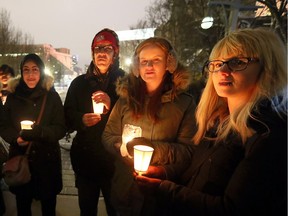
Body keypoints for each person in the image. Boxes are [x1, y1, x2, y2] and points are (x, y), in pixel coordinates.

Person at [135, 28, 287, 216]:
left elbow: (231, 209)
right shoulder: (217, 122)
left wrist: (162, 188)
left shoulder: (267, 134)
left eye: (237, 62)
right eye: (217, 64)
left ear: (268, 68)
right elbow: (197, 170)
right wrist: (165, 173)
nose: (223, 70)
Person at [102, 37, 197, 216]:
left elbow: (189, 151)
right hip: (125, 190)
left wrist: (152, 150)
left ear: (169, 63)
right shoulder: (125, 100)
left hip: (161, 194)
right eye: (144, 61)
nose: (149, 66)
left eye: (156, 60)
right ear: (137, 66)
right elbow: (108, 135)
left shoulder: (184, 104)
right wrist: (123, 147)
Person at [64, 28, 125, 216]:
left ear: (115, 53)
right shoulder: (79, 84)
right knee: (87, 209)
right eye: (97, 48)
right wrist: (80, 119)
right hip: (86, 161)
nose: (101, 53)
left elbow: (136, 117)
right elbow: (66, 116)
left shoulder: (127, 82)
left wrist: (112, 103)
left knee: (117, 209)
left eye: (107, 48)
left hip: (116, 163)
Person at [0, 53, 66, 216]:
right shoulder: (14, 96)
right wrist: (16, 138)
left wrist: (41, 132)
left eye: (35, 70)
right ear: (21, 73)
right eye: (26, 70)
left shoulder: (51, 96)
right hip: (22, 160)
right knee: (23, 206)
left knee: (48, 207)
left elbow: (60, 127)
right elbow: (3, 124)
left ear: (41, 71)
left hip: (47, 162)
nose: (30, 75)